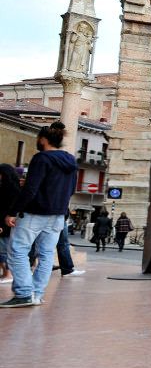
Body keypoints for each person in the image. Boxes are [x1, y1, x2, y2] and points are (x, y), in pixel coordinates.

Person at [1, 121, 77, 308]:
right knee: (46, 255)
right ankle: (36, 294)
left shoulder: (41, 159)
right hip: (58, 215)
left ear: (43, 139)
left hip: (35, 213)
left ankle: (24, 293)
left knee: (17, 251)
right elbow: (71, 189)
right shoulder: (71, 160)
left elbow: (31, 190)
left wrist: (12, 211)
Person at [0, 163, 20, 284]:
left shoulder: (10, 190)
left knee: (4, 250)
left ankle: (8, 274)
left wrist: (2, 226)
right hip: (5, 223)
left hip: (6, 224)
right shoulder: (10, 188)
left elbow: (6, 209)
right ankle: (5, 273)